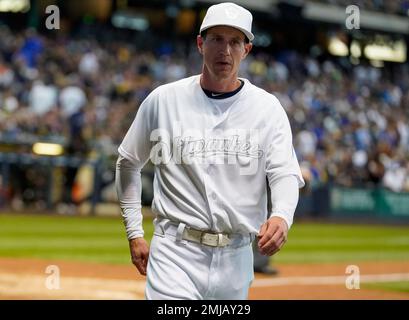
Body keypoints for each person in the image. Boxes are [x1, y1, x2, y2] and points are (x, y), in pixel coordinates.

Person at [116, 2, 304, 300]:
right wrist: (134, 231)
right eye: (217, 39)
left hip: (237, 257)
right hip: (175, 252)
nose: (225, 50)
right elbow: (128, 162)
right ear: (200, 44)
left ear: (247, 50)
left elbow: (284, 173)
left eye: (235, 41)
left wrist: (281, 215)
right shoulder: (163, 101)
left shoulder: (267, 108)